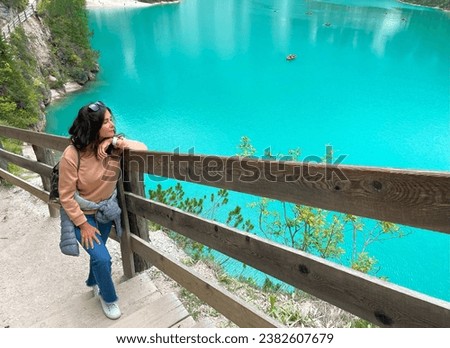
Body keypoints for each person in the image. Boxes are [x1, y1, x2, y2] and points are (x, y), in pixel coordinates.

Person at [58, 101, 147, 320]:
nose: (112, 125)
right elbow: (66, 196)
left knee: (99, 256)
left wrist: (115, 140)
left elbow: (143, 149)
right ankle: (108, 299)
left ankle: (92, 282)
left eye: (111, 120)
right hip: (82, 216)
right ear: (92, 127)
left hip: (106, 213)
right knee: (103, 258)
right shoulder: (72, 155)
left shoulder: (113, 147)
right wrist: (83, 225)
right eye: (105, 122)